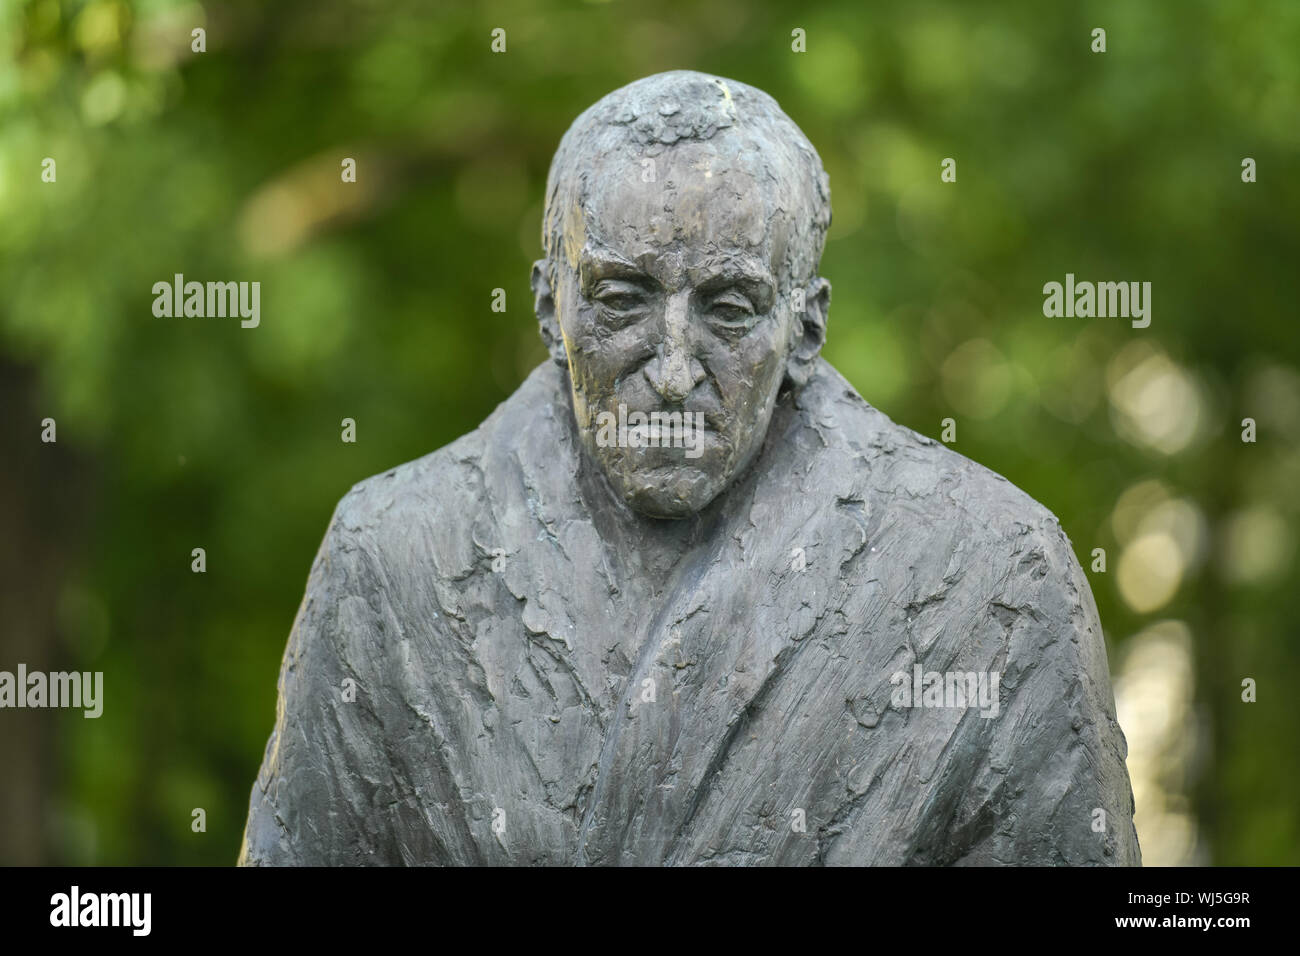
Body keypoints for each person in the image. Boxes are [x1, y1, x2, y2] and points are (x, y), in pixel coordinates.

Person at [239, 70, 1140, 866]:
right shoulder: (391, 558)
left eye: (730, 308)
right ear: (551, 312)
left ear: (807, 329)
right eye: (622, 301)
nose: (672, 369)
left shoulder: (987, 577)